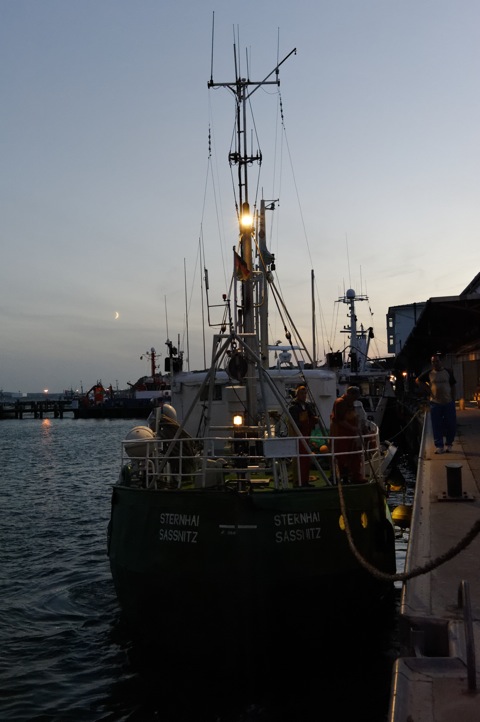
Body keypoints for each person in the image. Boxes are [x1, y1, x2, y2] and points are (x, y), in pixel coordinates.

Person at [415, 354, 456, 454]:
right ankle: (439, 446)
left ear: (440, 361)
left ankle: (449, 444)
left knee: (451, 424)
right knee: (436, 425)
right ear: (431, 363)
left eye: (437, 361)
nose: (435, 363)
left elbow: (453, 385)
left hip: (448, 402)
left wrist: (453, 398)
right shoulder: (429, 373)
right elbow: (418, 380)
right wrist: (428, 390)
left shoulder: (448, 372)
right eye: (433, 362)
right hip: (435, 403)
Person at [329, 386, 365, 483]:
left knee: (354, 455)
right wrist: (352, 428)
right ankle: (336, 477)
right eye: (354, 397)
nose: (355, 400)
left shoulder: (350, 403)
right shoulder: (340, 402)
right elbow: (339, 420)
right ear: (350, 394)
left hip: (350, 434)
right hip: (341, 434)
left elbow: (353, 416)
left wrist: (356, 426)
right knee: (341, 456)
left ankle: (355, 476)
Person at [288, 385, 319, 487]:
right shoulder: (293, 407)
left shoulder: (307, 406)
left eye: (305, 393)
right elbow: (296, 423)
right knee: (299, 459)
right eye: (302, 393)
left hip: (306, 436)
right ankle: (298, 481)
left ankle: (305, 480)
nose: (304, 395)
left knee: (306, 459)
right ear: (297, 394)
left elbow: (312, 416)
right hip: (298, 437)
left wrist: (314, 419)